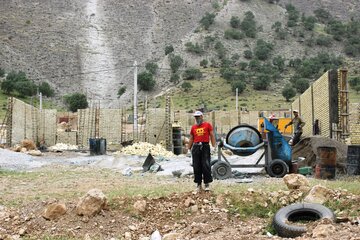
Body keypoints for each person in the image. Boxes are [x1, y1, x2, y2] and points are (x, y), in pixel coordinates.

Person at [188, 111, 216, 192]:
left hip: (205, 146)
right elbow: (191, 138)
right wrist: (189, 148)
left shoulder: (207, 125)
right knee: (196, 166)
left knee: (206, 165)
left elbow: (212, 135)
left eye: (198, 117)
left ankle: (207, 184)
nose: (197, 119)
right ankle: (198, 184)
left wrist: (213, 146)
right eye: (196, 117)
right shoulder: (193, 127)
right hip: (196, 147)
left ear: (202, 117)